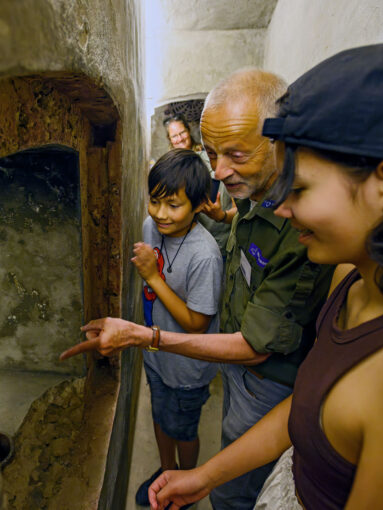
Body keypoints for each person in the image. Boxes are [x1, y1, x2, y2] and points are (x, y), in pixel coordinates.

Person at [148, 40, 383, 510]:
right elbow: (312, 398)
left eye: (300, 187)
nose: (282, 208)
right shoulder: (354, 273)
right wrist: (208, 475)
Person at [61, 69, 334, 509]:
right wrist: (229, 218)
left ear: (281, 143)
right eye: (212, 154)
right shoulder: (248, 190)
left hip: (259, 378)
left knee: (233, 489)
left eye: (236, 154)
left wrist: (143, 334)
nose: (221, 171)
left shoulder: (294, 230)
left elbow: (249, 344)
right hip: (218, 367)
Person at [132, 148, 224, 507]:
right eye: (155, 202)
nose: (160, 214)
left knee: (184, 428)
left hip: (187, 367)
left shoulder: (205, 255)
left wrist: (153, 278)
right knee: (159, 413)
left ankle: (185, 485)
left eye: (173, 205)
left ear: (200, 205)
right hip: (156, 354)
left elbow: (197, 324)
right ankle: (164, 470)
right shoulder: (149, 226)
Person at [164, 114, 236, 255]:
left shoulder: (212, 163)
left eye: (182, 132)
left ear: (189, 131)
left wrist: (221, 215)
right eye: (174, 136)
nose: (179, 139)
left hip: (220, 243)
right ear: (169, 140)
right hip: (187, 246)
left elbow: (238, 209)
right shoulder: (168, 169)